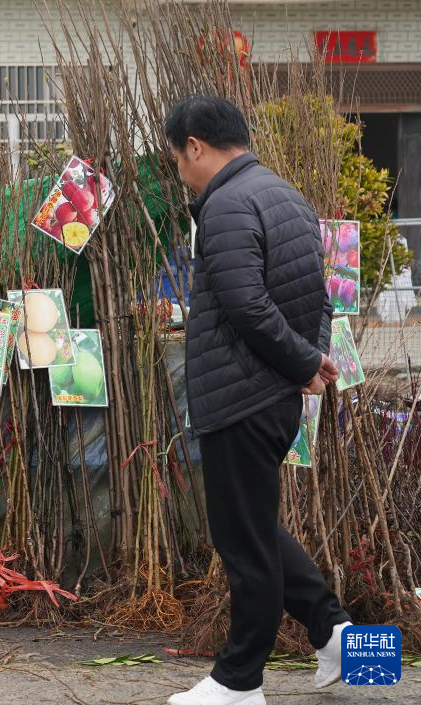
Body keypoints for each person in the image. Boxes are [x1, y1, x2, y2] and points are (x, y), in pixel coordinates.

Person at [163, 96, 352, 705]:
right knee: (253, 529)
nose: (181, 172)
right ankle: (335, 634)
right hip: (273, 397)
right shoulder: (288, 196)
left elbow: (245, 305)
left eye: (178, 159)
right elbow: (318, 298)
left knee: (242, 543)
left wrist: (303, 364)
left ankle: (238, 683)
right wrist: (310, 363)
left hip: (239, 397)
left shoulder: (222, 205)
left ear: (196, 145)